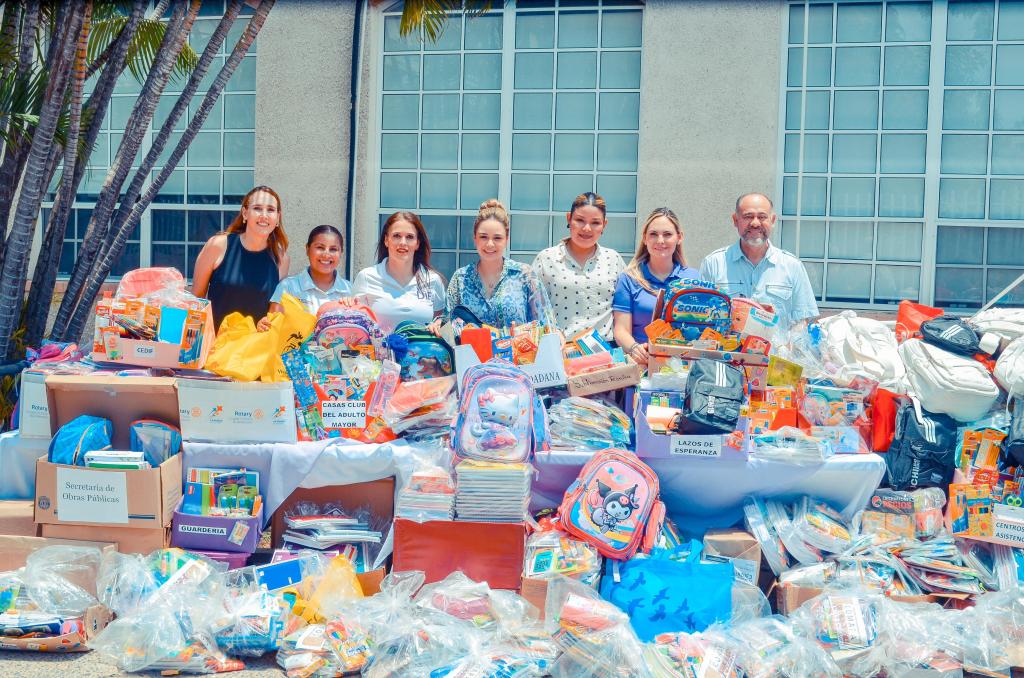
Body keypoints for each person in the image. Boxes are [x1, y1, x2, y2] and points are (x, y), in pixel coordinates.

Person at [698, 192, 819, 331]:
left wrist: (790, 343)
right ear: (735, 220)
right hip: (727, 345)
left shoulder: (792, 266)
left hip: (776, 346)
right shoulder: (713, 264)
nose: (755, 223)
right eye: (748, 216)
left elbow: (802, 320)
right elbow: (702, 317)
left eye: (762, 217)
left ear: (772, 220)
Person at [612, 207, 701, 367]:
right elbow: (621, 330)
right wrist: (635, 349)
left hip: (684, 368)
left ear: (679, 237)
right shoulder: (629, 278)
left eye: (667, 234)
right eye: (653, 234)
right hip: (643, 366)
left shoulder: (694, 279)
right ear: (645, 238)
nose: (660, 240)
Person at [446, 199, 555, 330]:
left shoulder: (525, 275)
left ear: (506, 239)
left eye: (497, 238)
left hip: (520, 344)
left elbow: (547, 324)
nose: (490, 244)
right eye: (483, 237)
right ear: (475, 238)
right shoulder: (460, 278)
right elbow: (448, 323)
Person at [192, 186, 291, 330]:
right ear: (245, 213)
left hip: (255, 342)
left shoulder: (281, 259)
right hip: (217, 342)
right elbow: (197, 300)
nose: (264, 215)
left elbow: (273, 312)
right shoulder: (218, 245)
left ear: (277, 217)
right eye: (257, 208)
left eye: (270, 210)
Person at [532, 192, 625, 341]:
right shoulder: (546, 259)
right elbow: (534, 309)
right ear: (569, 218)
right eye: (580, 220)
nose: (587, 228)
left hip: (606, 351)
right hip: (561, 349)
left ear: (604, 224)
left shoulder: (613, 259)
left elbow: (625, 310)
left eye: (595, 222)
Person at [351, 211, 447, 332]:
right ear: (386, 240)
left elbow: (439, 322)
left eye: (409, 237)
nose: (403, 242)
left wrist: (438, 325)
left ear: (417, 243)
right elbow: (356, 326)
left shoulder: (433, 280)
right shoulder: (366, 277)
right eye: (396, 236)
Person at [256, 225, 351, 330]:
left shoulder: (350, 290)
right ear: (307, 249)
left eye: (333, 249)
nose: (326, 254)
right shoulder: (288, 287)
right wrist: (263, 326)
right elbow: (273, 327)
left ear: (341, 253)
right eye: (320, 247)